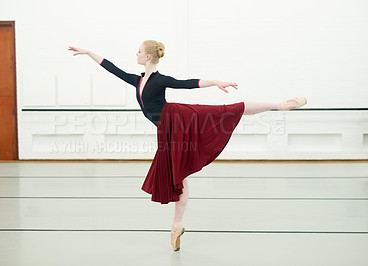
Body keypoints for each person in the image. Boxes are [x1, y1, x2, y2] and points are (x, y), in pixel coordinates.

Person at [68, 40, 306, 252]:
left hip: (178, 119)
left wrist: (215, 82)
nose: (136, 54)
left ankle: (279, 105)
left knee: (224, 112)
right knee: (178, 173)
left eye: (139, 51)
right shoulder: (138, 80)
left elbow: (189, 84)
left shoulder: (160, 80)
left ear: (148, 56)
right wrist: (88, 52)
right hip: (167, 130)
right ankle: (176, 226)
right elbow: (112, 69)